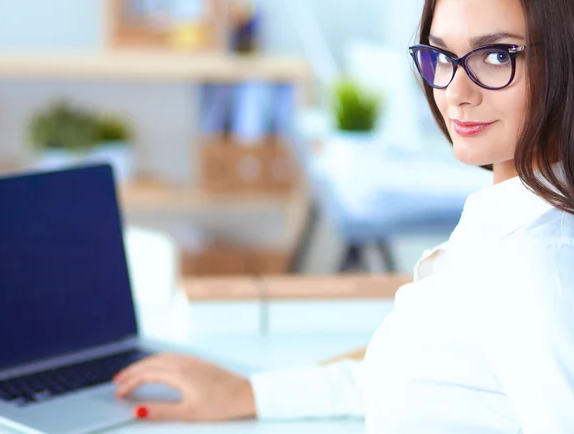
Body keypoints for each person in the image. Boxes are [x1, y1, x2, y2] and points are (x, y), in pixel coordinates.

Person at [112, 0, 574, 431]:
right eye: (443, 56)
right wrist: (250, 392)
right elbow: (422, 374)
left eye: (496, 56)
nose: (456, 92)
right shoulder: (508, 223)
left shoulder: (534, 265)